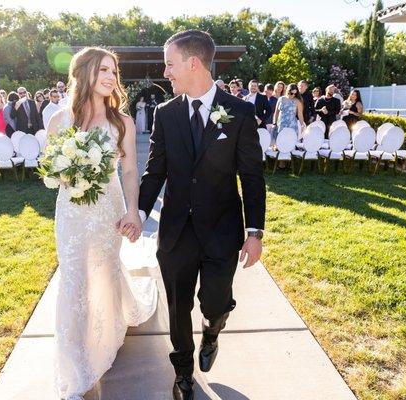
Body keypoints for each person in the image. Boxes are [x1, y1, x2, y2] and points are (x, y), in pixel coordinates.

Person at [132, 29, 265, 400]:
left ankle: (213, 328)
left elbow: (252, 176)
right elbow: (154, 170)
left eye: (170, 63)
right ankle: (183, 373)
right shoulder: (165, 113)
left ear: (193, 63)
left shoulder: (239, 112)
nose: (166, 71)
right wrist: (139, 212)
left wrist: (254, 233)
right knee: (178, 305)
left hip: (222, 229)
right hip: (175, 230)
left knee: (215, 301)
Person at [45, 46, 157, 399]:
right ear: (85, 73)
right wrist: (69, 171)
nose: (111, 77)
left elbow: (129, 172)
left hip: (108, 212)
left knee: (104, 274)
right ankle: (75, 366)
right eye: (104, 70)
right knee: (74, 280)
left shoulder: (121, 122)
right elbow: (50, 168)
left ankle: (109, 330)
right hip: (72, 213)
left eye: (114, 72)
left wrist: (133, 211)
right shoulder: (58, 121)